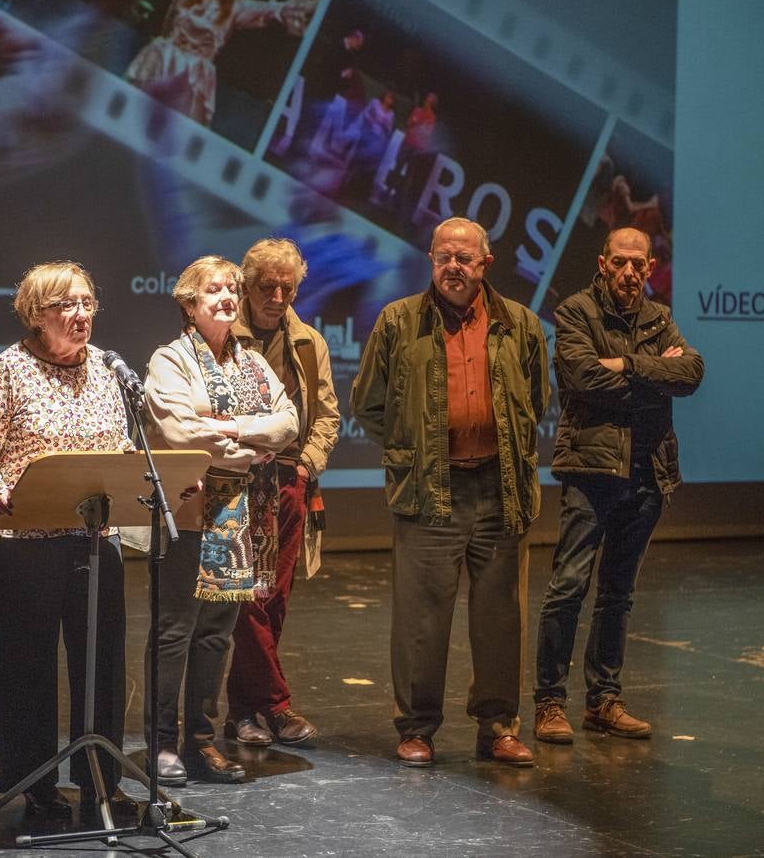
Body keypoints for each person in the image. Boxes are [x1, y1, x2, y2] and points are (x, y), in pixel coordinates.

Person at [350, 216, 549, 769]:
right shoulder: (398, 322)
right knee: (421, 618)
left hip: (500, 487)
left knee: (501, 616)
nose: (453, 267)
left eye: (464, 258)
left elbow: (535, 396)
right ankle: (417, 728)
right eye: (443, 257)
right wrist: (412, 450)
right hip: (430, 490)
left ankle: (498, 727)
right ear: (431, 261)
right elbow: (368, 403)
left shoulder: (521, 325)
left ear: (485, 264)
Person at [0, 261, 135, 822]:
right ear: (38, 316)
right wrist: (1, 492)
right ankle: (33, 781)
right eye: (66, 305)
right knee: (29, 664)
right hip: (23, 540)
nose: (81, 315)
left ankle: (100, 778)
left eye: (87, 303)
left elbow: (123, 452)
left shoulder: (109, 370)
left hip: (93, 539)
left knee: (102, 663)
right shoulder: (11, 368)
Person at [533, 228, 704, 743]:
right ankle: (549, 703)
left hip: (649, 471)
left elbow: (692, 372)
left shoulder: (658, 318)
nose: (630, 272)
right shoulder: (576, 312)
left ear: (650, 269)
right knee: (568, 588)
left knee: (618, 594)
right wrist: (655, 377)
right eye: (620, 263)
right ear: (604, 263)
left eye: (639, 264)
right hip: (592, 469)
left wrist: (627, 364)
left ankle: (603, 699)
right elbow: (584, 378)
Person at [143, 255, 298, 785]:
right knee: (176, 631)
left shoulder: (252, 362)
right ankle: (162, 742)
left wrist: (228, 426)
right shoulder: (170, 360)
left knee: (215, 634)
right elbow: (181, 433)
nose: (228, 297)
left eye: (232, 288)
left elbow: (288, 424)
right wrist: (244, 447)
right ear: (189, 302)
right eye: (214, 290)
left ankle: (201, 739)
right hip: (190, 510)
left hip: (242, 515)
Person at [223, 238, 339, 747]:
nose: (276, 295)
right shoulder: (222, 337)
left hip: (290, 482)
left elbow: (328, 415)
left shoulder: (309, 341)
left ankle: (243, 715)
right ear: (247, 285)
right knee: (245, 596)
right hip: (236, 481)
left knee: (275, 602)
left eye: (286, 287)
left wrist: (308, 467)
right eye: (266, 285)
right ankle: (276, 704)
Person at [125, 0, 317, 126]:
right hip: (161, 63)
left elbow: (280, 9)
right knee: (131, 117)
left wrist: (319, 3)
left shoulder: (236, 8)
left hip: (192, 83)